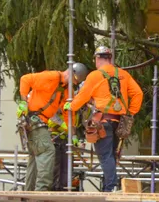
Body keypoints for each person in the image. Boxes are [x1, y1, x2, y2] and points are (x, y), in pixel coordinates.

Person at [64, 46, 143, 193]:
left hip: (102, 122)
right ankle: (109, 187)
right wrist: (130, 112)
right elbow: (138, 94)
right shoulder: (123, 74)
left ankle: (111, 187)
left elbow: (83, 96)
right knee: (111, 155)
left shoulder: (95, 76)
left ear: (98, 58)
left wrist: (71, 106)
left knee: (105, 156)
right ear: (110, 58)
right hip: (119, 122)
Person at [18, 63, 88, 191]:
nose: (74, 83)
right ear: (71, 73)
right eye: (75, 80)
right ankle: (41, 192)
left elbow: (68, 114)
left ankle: (29, 193)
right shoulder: (51, 77)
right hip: (34, 120)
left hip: (38, 122)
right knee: (48, 150)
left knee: (35, 157)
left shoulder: (67, 90)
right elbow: (25, 79)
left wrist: (72, 134)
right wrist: (23, 101)